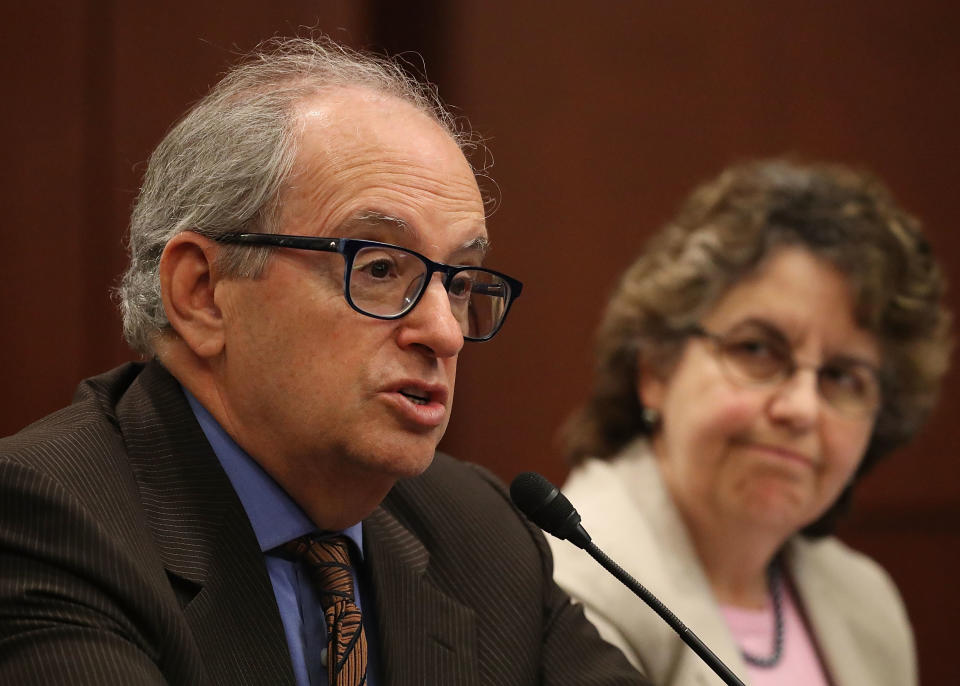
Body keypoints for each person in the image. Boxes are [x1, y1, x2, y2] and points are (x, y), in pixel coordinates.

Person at [0, 37, 647, 685]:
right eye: (380, 268)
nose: (443, 332)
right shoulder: (47, 524)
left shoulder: (481, 533)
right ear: (201, 292)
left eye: (457, 282)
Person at [550, 159, 952, 686]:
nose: (802, 408)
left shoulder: (866, 602)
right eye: (758, 349)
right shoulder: (570, 588)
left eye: (843, 376)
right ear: (656, 369)